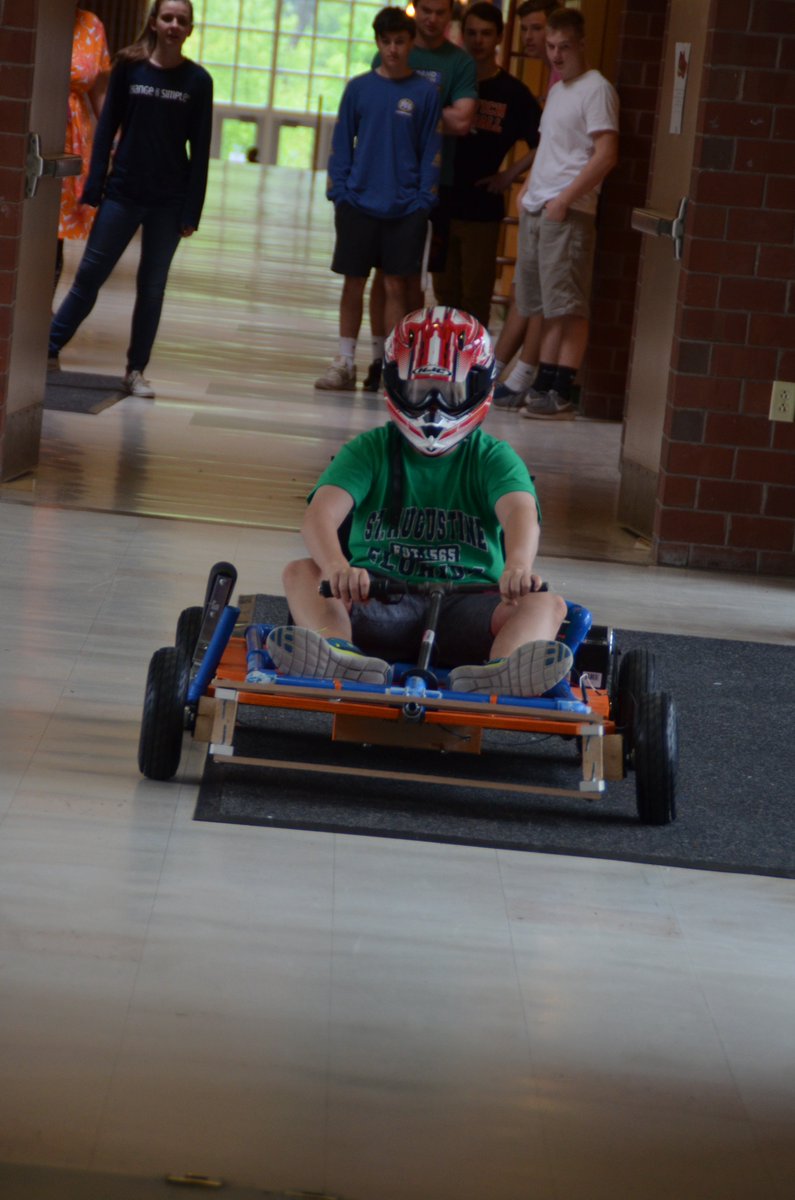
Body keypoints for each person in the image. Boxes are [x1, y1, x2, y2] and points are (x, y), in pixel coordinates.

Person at [267, 307, 573, 699]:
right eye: (419, 390)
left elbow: (520, 513)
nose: (434, 406)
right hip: (376, 595)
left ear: (479, 388)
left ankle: (502, 670)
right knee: (301, 573)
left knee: (545, 603)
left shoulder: (492, 457)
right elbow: (318, 517)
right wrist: (337, 567)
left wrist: (517, 565)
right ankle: (337, 653)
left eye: (450, 392)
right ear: (395, 385)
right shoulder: (371, 449)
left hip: (469, 603)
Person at [47, 0, 213, 400]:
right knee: (89, 276)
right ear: (153, 22)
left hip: (169, 201)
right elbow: (106, 130)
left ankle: (136, 370)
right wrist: (94, 185)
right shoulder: (129, 68)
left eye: (182, 20)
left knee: (152, 288)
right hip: (122, 192)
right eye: (167, 17)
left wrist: (192, 211)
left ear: (190, 29)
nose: (174, 25)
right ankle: (48, 348)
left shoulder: (198, 81)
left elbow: (201, 151)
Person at [314, 7, 442, 392]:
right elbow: (341, 143)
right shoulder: (358, 88)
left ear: (411, 43)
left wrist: (423, 200)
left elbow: (431, 150)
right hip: (358, 202)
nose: (393, 49)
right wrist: (340, 192)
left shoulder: (425, 92)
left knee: (395, 287)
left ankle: (390, 365)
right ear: (377, 43)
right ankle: (345, 361)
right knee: (353, 282)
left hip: (405, 207)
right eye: (386, 42)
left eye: (400, 42)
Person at [508, 5, 619, 419]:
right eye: (551, 46)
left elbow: (606, 154)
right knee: (544, 303)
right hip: (541, 206)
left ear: (581, 45)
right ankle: (543, 383)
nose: (555, 55)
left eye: (564, 47)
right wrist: (529, 190)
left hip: (567, 210)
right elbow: (549, 150)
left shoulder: (597, 89)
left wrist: (565, 198)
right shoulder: (557, 90)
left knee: (568, 305)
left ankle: (561, 388)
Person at [363, 0, 478, 394]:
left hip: (434, 185)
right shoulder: (394, 48)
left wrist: (411, 104)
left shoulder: (459, 63)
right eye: (425, 9)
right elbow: (372, 104)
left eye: (440, 12)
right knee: (384, 275)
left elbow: (462, 120)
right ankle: (380, 359)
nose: (432, 18)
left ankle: (407, 360)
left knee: (415, 279)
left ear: (451, 16)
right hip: (383, 182)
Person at [431, 2, 541, 328]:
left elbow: (545, 141)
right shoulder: (448, 81)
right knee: (443, 292)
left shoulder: (514, 92)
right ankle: (444, 363)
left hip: (482, 206)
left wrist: (510, 174)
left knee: (476, 295)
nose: (478, 40)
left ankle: (471, 366)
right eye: (472, 33)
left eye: (486, 34)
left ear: (499, 36)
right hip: (442, 202)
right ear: (461, 35)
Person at [54, 6, 111, 296]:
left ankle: (40, 312)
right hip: (39, 121)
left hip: (73, 136)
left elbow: (99, 90)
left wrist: (116, 137)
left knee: (56, 234)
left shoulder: (91, 25)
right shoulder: (36, 17)